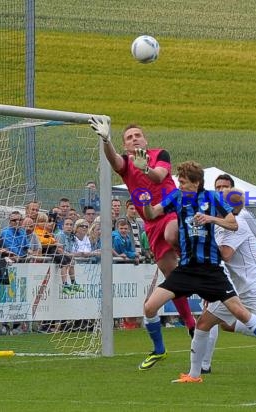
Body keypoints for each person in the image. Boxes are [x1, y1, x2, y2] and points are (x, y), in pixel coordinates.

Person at [137, 161, 256, 381]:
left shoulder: (213, 198)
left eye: (183, 182)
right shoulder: (176, 197)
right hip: (187, 269)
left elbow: (233, 224)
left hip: (211, 271)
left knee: (239, 313)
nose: (180, 185)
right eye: (179, 181)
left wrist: (210, 218)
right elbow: (152, 213)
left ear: (196, 182)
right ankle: (165, 354)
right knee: (150, 306)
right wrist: (145, 203)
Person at [89, 116, 195, 336]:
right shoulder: (126, 164)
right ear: (125, 145)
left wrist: (146, 168)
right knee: (171, 275)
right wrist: (106, 141)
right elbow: (113, 161)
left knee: (172, 232)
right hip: (150, 221)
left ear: (145, 140)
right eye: (129, 137)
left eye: (138, 135)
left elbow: (159, 177)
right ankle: (190, 323)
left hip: (170, 209)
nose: (134, 139)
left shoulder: (159, 154)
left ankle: (193, 260)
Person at [199, 189, 256, 375]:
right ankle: (199, 369)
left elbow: (226, 255)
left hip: (252, 286)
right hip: (232, 287)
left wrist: (202, 244)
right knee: (207, 322)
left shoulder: (239, 223)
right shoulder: (220, 223)